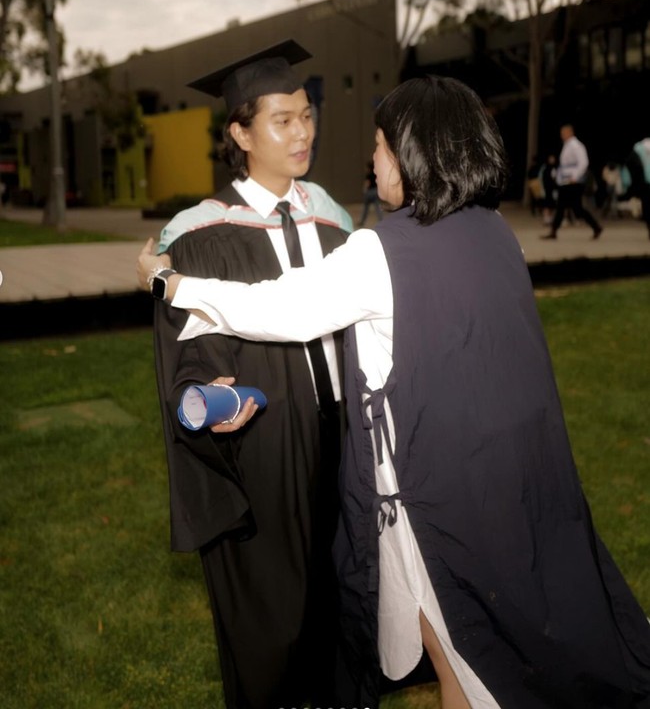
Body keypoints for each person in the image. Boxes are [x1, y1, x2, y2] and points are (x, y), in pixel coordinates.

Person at [138, 74, 650, 709]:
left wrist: (170, 280)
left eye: (381, 144)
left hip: (432, 493)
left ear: (413, 152)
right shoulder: (496, 232)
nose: (371, 157)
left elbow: (284, 308)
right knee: (471, 646)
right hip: (512, 478)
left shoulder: (379, 249)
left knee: (468, 647)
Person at [145, 39, 353, 709]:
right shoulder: (201, 236)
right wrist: (202, 400)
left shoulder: (332, 219)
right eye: (282, 120)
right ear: (239, 132)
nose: (302, 132)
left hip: (342, 434)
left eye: (306, 115)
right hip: (261, 441)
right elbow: (191, 350)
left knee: (344, 601)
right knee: (274, 617)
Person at [541, 124, 603, 240]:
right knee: (569, 208)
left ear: (569, 132)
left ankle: (596, 227)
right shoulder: (568, 146)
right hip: (566, 181)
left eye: (563, 133)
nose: (562, 136)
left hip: (573, 182)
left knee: (571, 208)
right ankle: (554, 231)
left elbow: (584, 162)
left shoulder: (575, 146)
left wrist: (576, 176)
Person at [623, 137, 650, 238]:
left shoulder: (638, 148)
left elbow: (631, 165)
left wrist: (629, 183)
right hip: (645, 182)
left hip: (644, 182)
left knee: (647, 205)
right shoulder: (638, 148)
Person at [358, 159, 383, 226]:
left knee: (365, 208)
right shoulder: (375, 174)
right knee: (377, 207)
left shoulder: (368, 175)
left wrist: (364, 190)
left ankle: (362, 222)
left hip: (369, 192)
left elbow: (367, 183)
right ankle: (381, 221)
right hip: (375, 191)